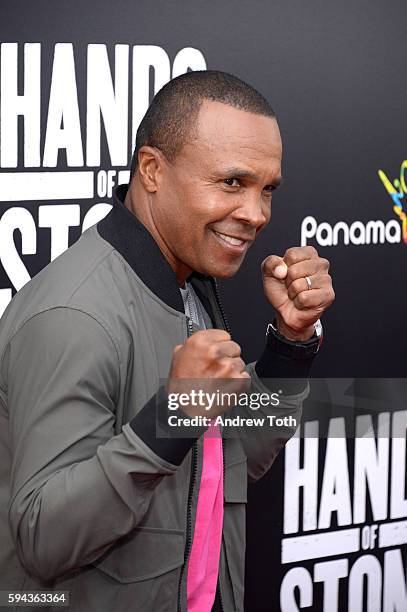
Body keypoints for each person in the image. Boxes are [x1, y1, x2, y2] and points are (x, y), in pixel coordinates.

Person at [0, 70, 334, 611]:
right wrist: (171, 418)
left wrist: (290, 345)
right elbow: (43, 541)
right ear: (152, 170)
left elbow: (234, 459)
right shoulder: (73, 314)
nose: (256, 214)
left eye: (266, 189)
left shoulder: (188, 284)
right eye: (232, 182)